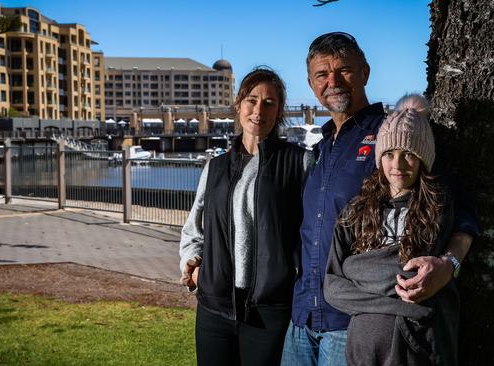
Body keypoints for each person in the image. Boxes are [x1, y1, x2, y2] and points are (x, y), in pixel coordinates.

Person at [281, 32, 478, 366]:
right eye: (321, 74)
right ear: (311, 83)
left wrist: (448, 265)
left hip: (355, 323)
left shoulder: (394, 136)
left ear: (365, 73)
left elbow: (461, 212)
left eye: (344, 70)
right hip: (303, 317)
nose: (333, 81)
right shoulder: (321, 148)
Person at [179, 67, 313, 366]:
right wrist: (194, 265)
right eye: (252, 100)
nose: (258, 110)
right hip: (214, 309)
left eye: (269, 103)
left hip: (270, 312)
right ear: (238, 105)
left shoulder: (300, 162)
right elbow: (194, 230)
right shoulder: (215, 168)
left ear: (279, 111)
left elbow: (313, 234)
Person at [324, 94, 459, 365]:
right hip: (364, 350)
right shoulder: (356, 211)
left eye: (408, 154)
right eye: (389, 154)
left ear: (423, 159)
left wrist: (355, 269)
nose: (397, 165)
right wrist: (400, 306)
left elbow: (408, 275)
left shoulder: (437, 208)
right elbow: (332, 287)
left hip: (419, 347)